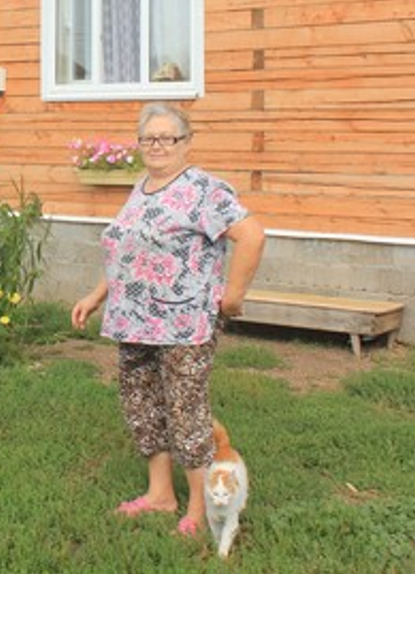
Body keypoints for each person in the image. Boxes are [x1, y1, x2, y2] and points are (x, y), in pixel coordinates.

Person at [71, 102, 266, 538]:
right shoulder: (141, 188)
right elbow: (127, 253)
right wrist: (97, 295)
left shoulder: (204, 190)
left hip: (184, 325)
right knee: (143, 407)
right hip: (133, 321)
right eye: (148, 138)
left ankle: (198, 508)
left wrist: (233, 297)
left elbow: (252, 235)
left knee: (185, 411)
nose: (157, 146)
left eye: (167, 138)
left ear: (186, 142)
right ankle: (160, 494)